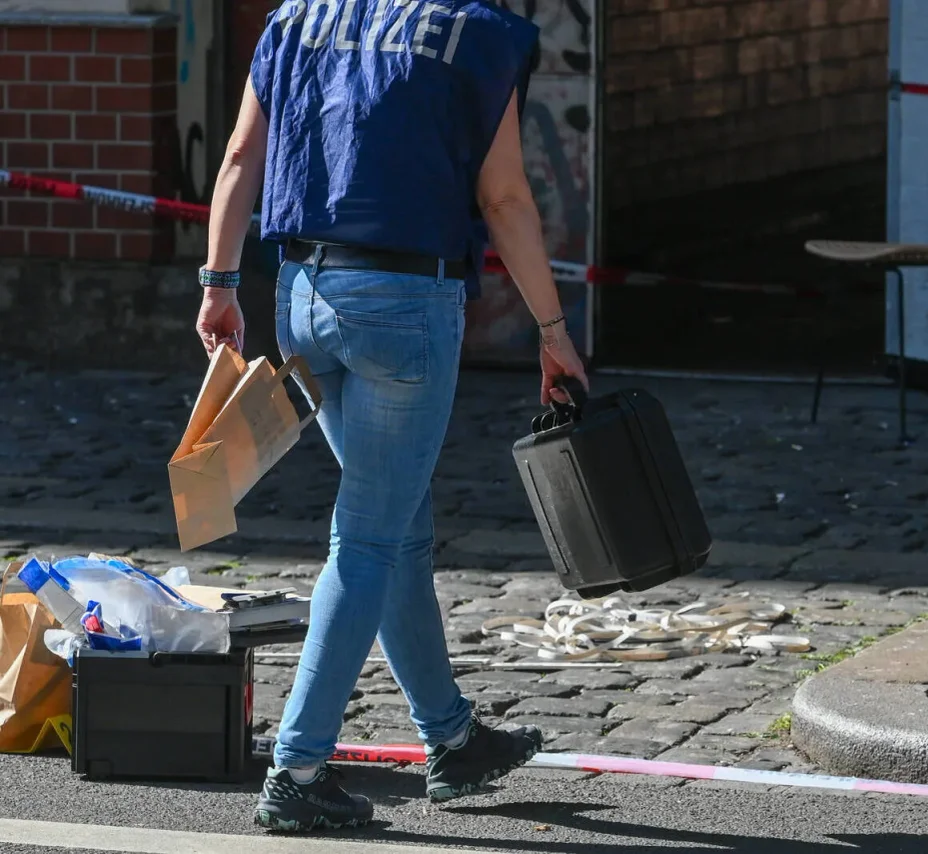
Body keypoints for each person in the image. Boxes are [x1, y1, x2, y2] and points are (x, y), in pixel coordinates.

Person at [194, 0, 588, 833]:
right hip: (405, 305)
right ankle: (298, 769)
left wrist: (220, 283)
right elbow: (505, 198)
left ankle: (451, 736)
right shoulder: (478, 33)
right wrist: (554, 332)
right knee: (369, 538)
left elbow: (238, 156)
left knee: (398, 522)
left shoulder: (294, 19)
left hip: (302, 296)